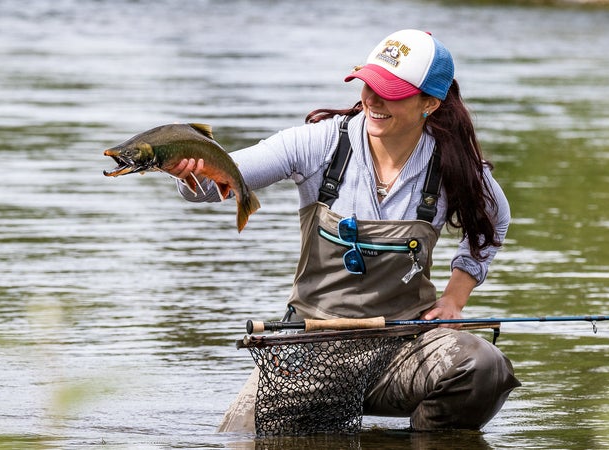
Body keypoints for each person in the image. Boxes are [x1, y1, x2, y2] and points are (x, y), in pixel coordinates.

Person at [167, 29, 519, 431]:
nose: (373, 99)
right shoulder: (318, 145)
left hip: (405, 349)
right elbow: (214, 185)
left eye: (391, 91)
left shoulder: (454, 166)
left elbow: (495, 219)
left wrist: (455, 297)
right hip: (311, 347)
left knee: (484, 367)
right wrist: (189, 166)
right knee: (243, 441)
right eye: (369, 85)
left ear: (429, 103)